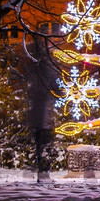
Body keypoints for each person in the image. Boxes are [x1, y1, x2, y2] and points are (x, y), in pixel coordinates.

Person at [28, 34, 60, 183]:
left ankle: (41, 172)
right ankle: (43, 173)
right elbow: (55, 85)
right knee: (44, 146)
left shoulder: (35, 67)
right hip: (43, 120)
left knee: (40, 146)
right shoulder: (45, 68)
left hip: (38, 119)